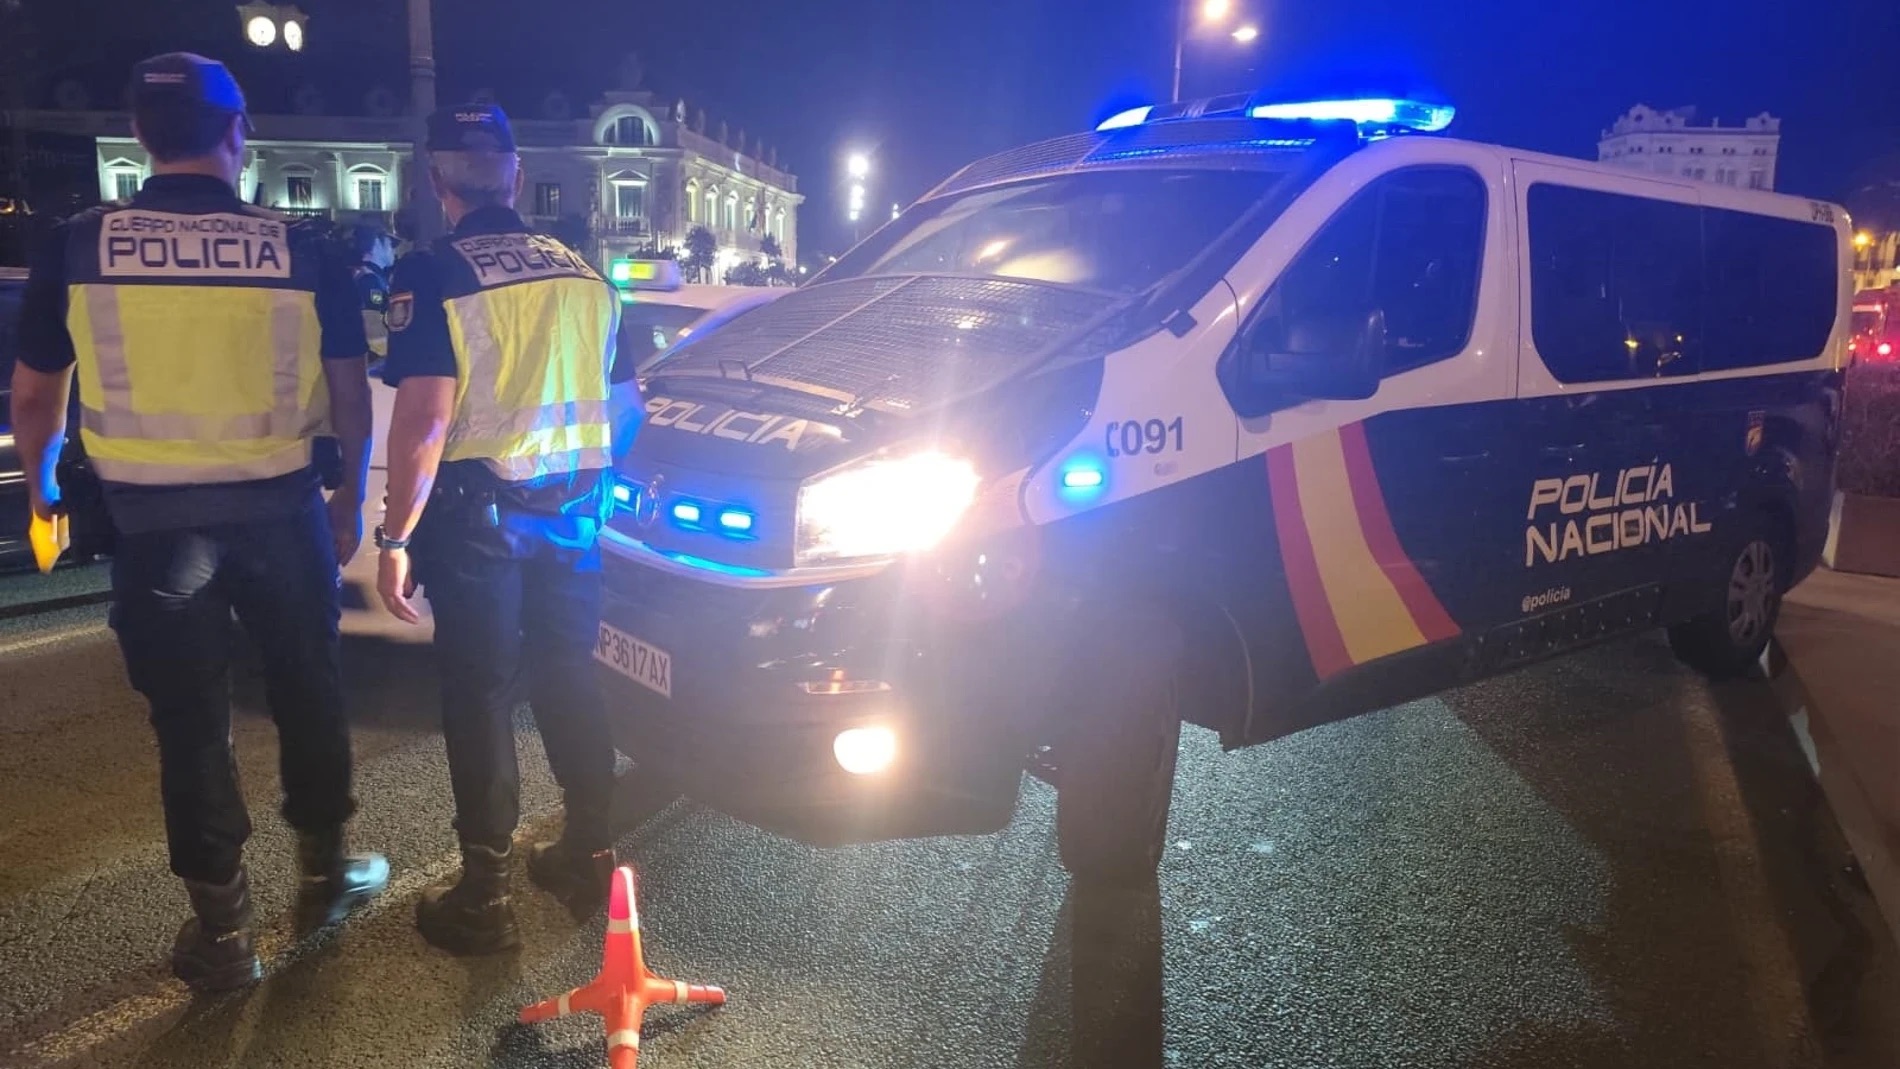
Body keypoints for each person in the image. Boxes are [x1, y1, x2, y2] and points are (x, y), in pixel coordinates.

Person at [8, 53, 388, 991]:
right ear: (238, 132)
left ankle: (225, 934)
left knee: (191, 725)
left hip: (155, 531)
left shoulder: (80, 244)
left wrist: (43, 488)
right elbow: (349, 394)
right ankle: (326, 870)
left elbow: (37, 395)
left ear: (140, 135)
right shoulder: (302, 247)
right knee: (309, 692)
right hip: (283, 515)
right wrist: (349, 497)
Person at [376, 102, 631, 955]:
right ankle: (589, 854)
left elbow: (423, 422)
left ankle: (484, 896)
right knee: (570, 672)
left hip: (478, 523)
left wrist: (395, 536)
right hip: (574, 516)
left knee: (480, 693)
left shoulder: (434, 271)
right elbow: (627, 408)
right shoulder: (587, 276)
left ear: (437, 182)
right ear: (516, 177)